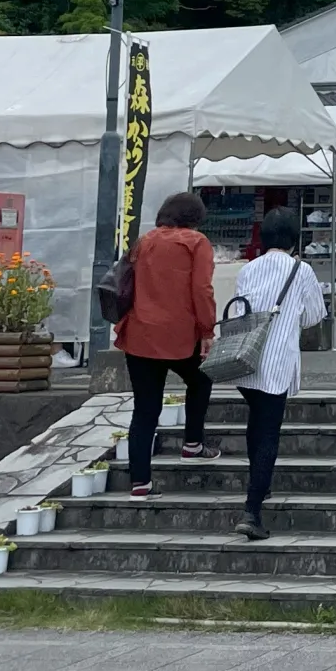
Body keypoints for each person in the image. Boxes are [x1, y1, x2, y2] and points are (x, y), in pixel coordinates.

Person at [232, 204, 328, 540]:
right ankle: (252, 511)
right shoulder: (301, 270)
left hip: (246, 357)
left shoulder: (249, 268)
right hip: (276, 360)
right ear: (294, 238)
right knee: (269, 433)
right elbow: (315, 315)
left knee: (255, 423)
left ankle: (260, 484)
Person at [118, 190, 218, 499]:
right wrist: (207, 330)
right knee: (200, 380)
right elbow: (202, 289)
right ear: (195, 217)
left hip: (139, 333)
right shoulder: (195, 242)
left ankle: (140, 482)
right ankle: (192, 443)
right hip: (179, 333)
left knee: (145, 410)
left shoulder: (144, 241)